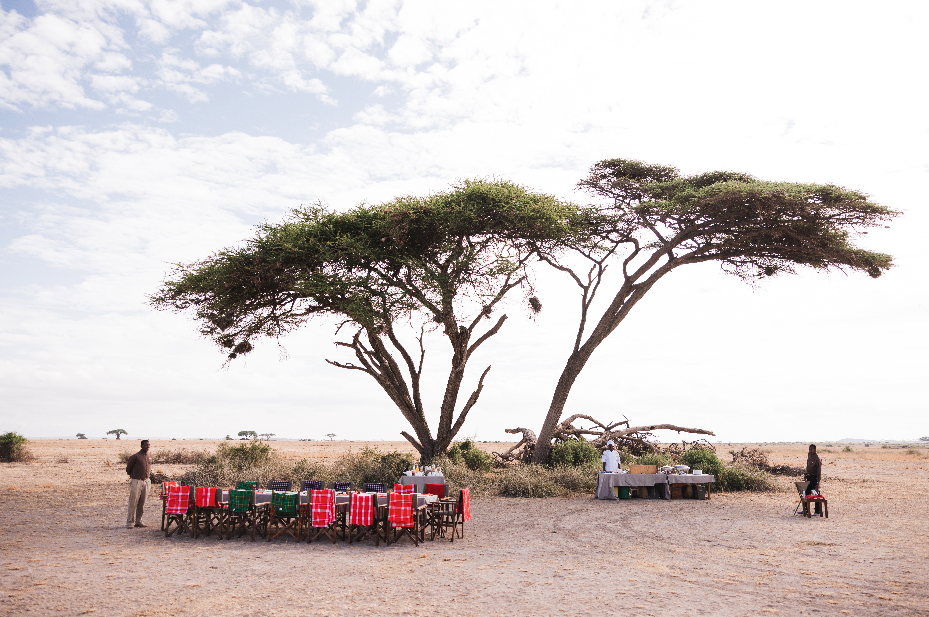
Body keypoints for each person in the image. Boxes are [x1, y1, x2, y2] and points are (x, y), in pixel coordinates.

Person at [125, 440, 152, 528]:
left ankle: (138, 521)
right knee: (133, 501)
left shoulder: (149, 455)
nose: (147, 446)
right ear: (141, 446)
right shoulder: (135, 456)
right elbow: (128, 469)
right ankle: (130, 522)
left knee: (142, 502)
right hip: (136, 481)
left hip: (146, 481)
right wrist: (134, 476)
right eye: (145, 445)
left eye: (148, 445)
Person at [805, 444, 822, 515]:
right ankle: (806, 510)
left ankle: (817, 511)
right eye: (809, 449)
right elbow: (808, 466)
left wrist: (818, 482)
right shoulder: (809, 455)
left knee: (816, 494)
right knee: (806, 493)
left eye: (811, 449)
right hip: (809, 477)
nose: (810, 451)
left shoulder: (817, 458)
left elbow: (819, 471)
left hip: (814, 477)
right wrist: (805, 475)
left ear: (814, 450)